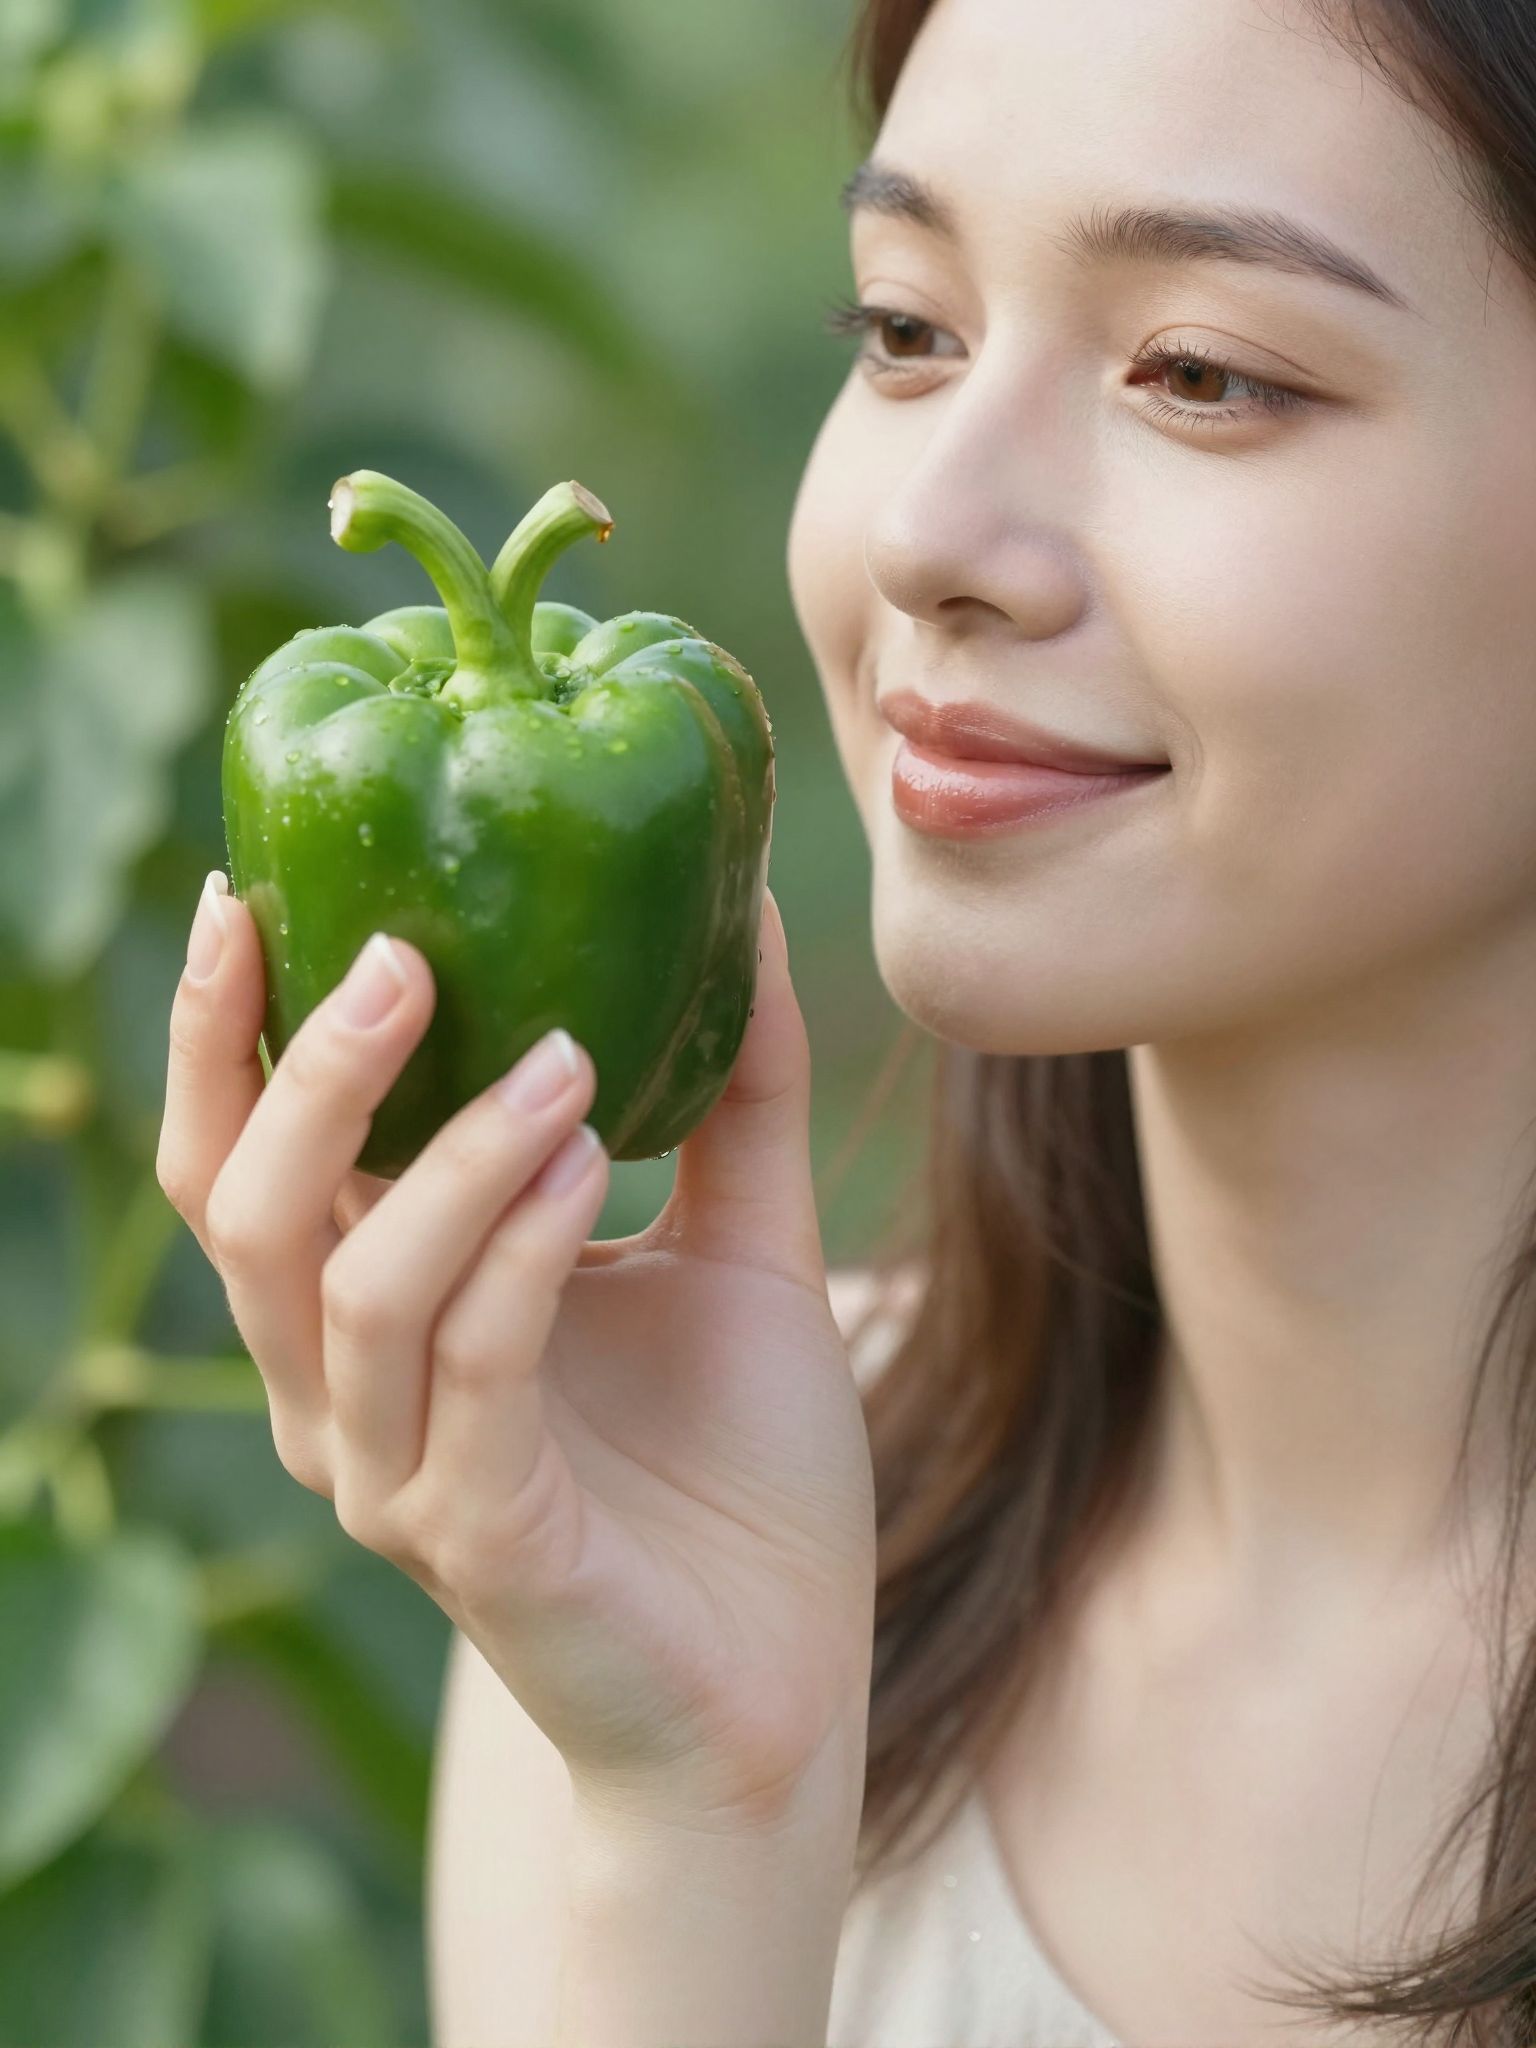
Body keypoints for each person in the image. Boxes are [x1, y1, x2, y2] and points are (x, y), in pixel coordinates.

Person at [156, 0, 1536, 2041]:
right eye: (907, 328)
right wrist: (698, 1800)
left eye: (1201, 371)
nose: (924, 533)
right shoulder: (693, 1481)